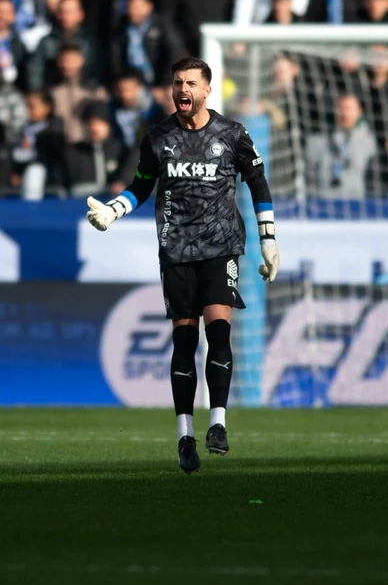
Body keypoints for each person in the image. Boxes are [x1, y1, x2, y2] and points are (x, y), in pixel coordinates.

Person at [84, 56, 280, 475]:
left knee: (220, 330)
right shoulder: (158, 136)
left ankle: (219, 425)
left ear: (207, 89)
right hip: (175, 249)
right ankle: (185, 436)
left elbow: (257, 182)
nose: (183, 89)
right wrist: (114, 211)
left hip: (221, 246)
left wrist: (269, 239)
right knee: (184, 344)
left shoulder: (232, 134)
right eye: (177, 82)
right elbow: (142, 183)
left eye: (191, 82)